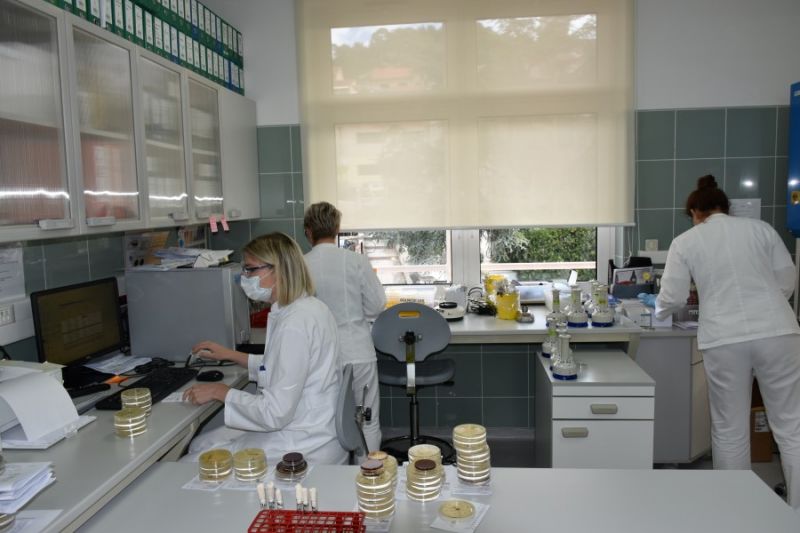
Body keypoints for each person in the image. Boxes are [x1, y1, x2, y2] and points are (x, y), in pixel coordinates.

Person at [640, 174, 800, 510]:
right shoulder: (762, 230)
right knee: (792, 427)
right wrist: (765, 305)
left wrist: (657, 308)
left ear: (695, 213)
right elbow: (788, 278)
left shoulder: (687, 241)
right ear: (725, 208)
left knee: (730, 429)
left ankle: (734, 510)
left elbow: (673, 296)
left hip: (725, 338)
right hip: (778, 331)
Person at [182, 232, 347, 465]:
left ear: (279, 270)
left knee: (191, 462)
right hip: (308, 423)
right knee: (200, 444)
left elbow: (274, 413)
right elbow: (284, 367)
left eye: (250, 269)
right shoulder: (309, 307)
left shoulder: (295, 323)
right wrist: (230, 355)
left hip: (303, 441)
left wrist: (221, 392)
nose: (244, 277)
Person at [303, 201, 386, 454]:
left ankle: (335, 473)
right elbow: (376, 306)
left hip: (318, 357)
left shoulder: (299, 265)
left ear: (308, 231)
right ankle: (370, 472)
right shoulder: (356, 261)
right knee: (367, 420)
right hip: (357, 352)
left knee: (326, 421)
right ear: (337, 229)